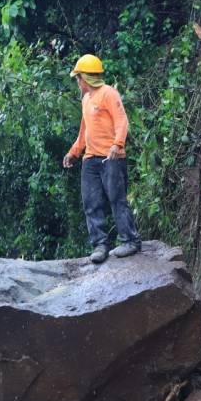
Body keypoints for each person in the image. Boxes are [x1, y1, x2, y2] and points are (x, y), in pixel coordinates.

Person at [62, 53, 142, 263]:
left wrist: (118, 144)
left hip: (111, 157)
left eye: (77, 78)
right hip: (90, 159)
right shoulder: (86, 99)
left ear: (85, 78)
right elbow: (84, 130)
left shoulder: (109, 93)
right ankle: (100, 245)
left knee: (117, 199)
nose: (77, 82)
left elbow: (122, 121)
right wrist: (74, 152)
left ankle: (130, 241)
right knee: (91, 202)